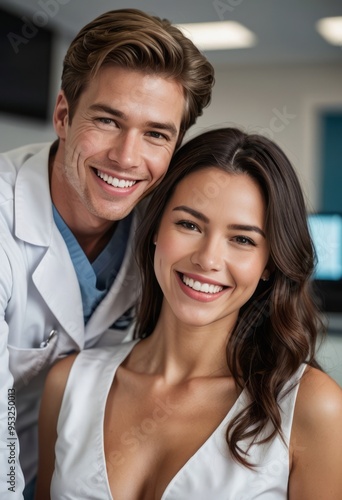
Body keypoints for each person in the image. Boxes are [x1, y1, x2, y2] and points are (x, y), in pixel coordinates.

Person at [35, 127, 342, 499]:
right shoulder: (68, 384)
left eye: (242, 239)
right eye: (189, 224)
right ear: (155, 230)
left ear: (269, 263)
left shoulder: (310, 407)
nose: (207, 259)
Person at [0, 8, 214, 499]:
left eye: (156, 134)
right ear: (63, 114)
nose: (126, 157)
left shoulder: (168, 229)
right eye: (107, 120)